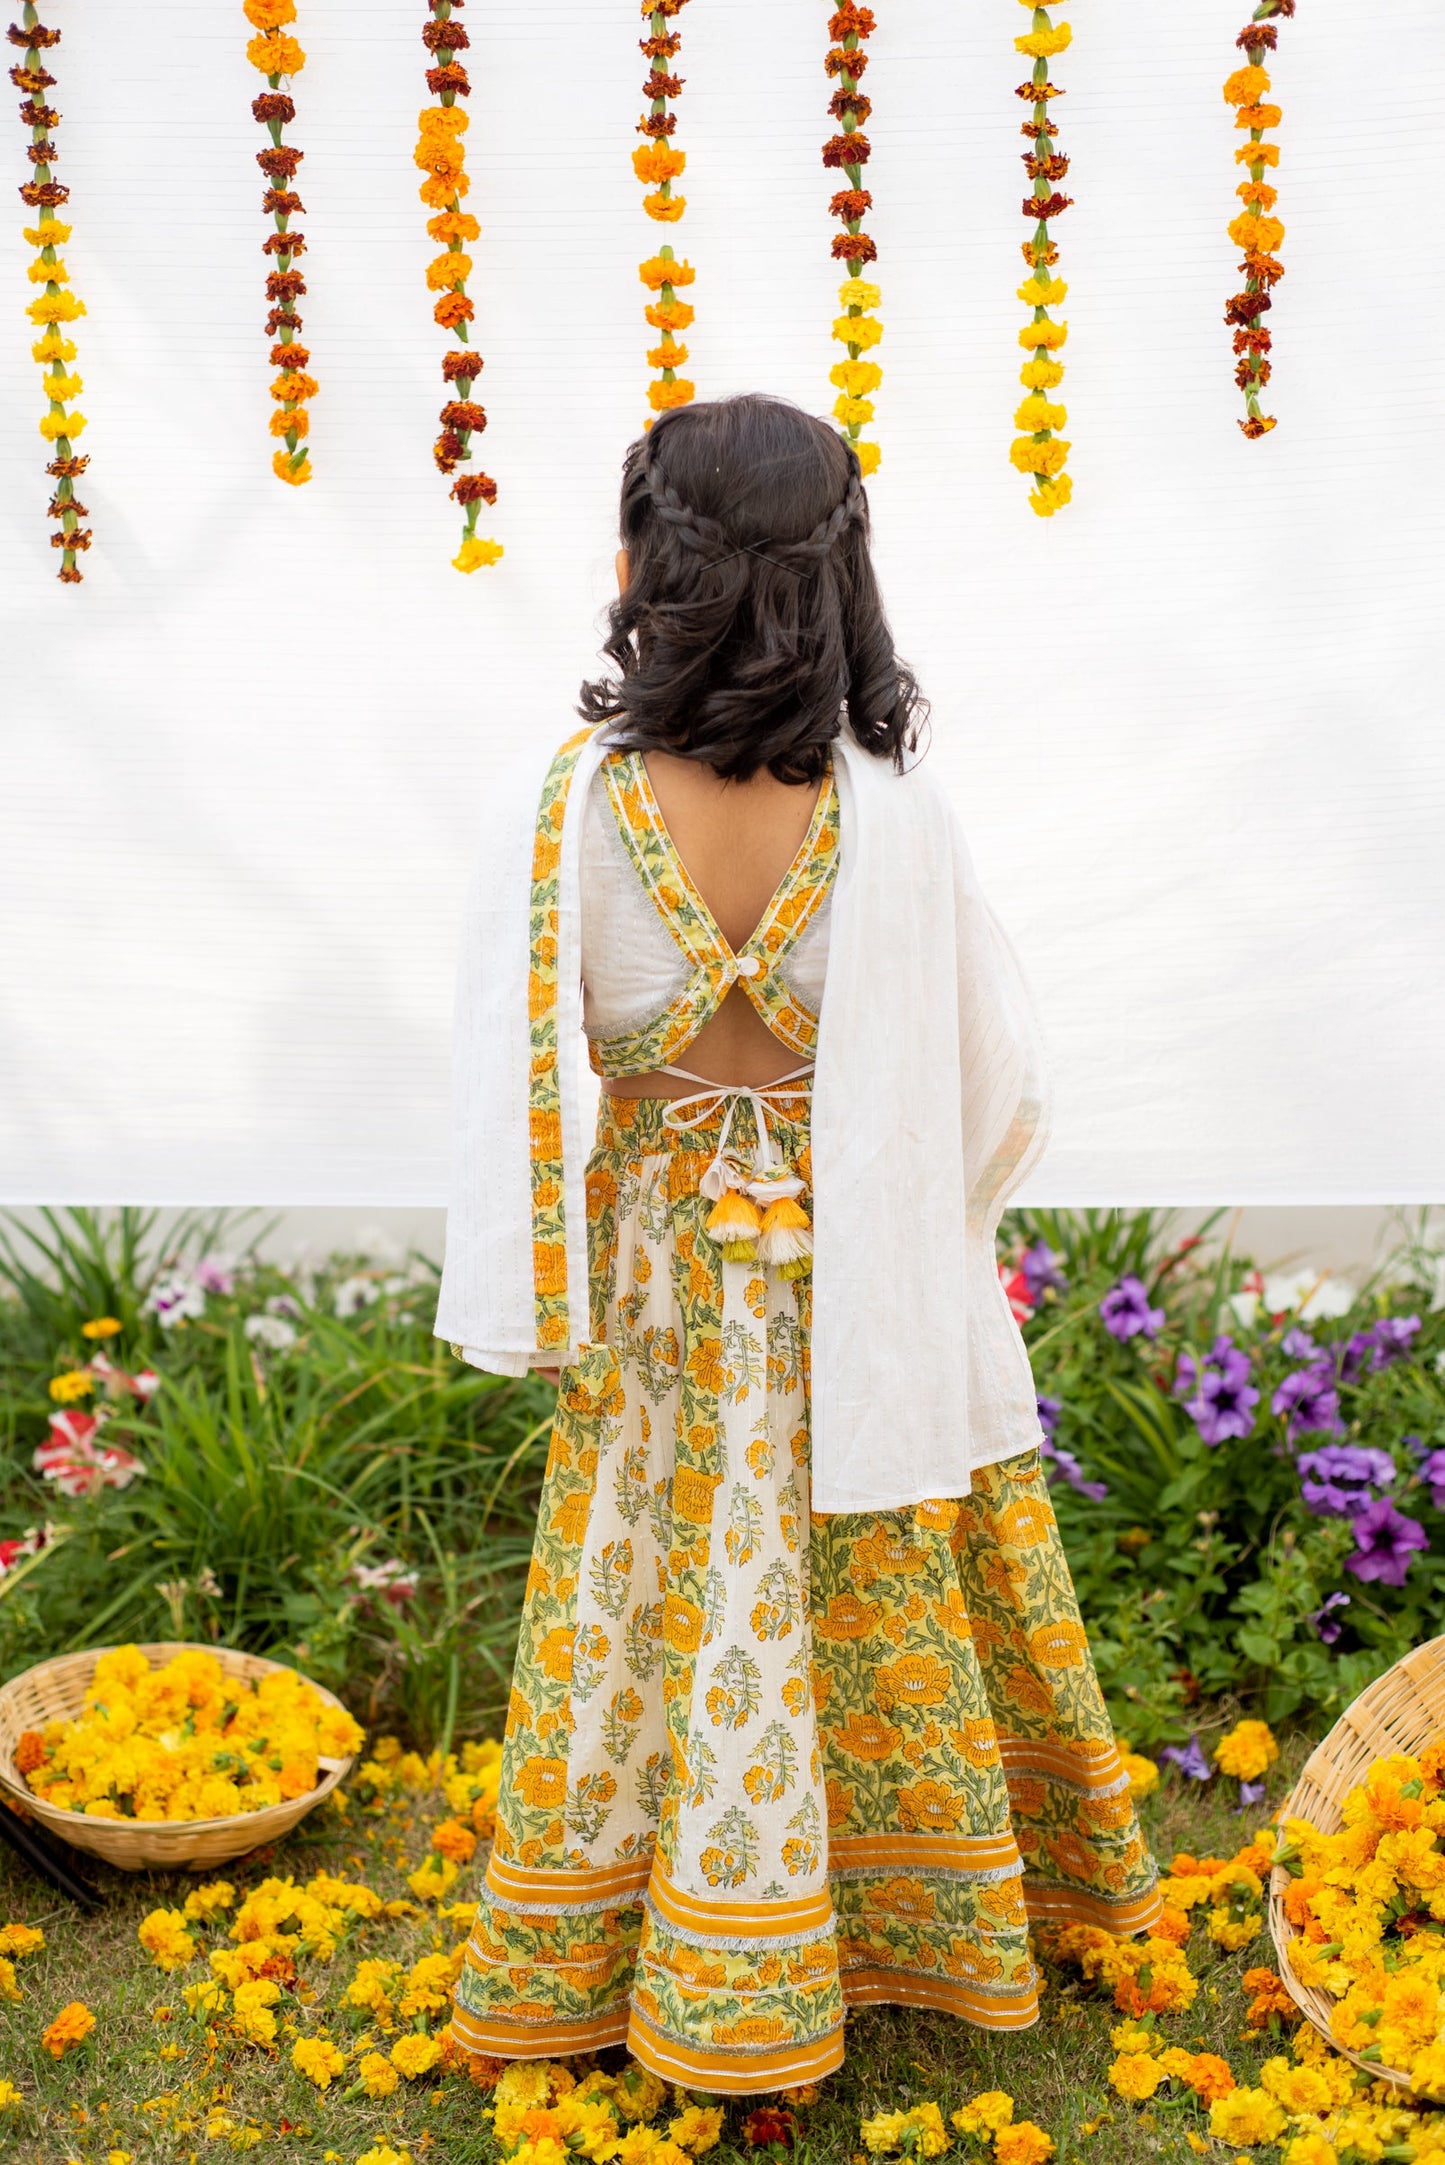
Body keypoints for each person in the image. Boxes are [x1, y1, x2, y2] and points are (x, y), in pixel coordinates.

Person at [435, 392, 1159, 2095]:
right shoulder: (895, 814)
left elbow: (511, 1074)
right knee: (877, 1579)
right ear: (843, 581)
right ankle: (901, 1918)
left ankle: (648, 1926)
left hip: (665, 1296)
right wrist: (906, 1210)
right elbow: (996, 1083)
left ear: (635, 569)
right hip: (859, 1288)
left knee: (657, 1585)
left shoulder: (568, 813)